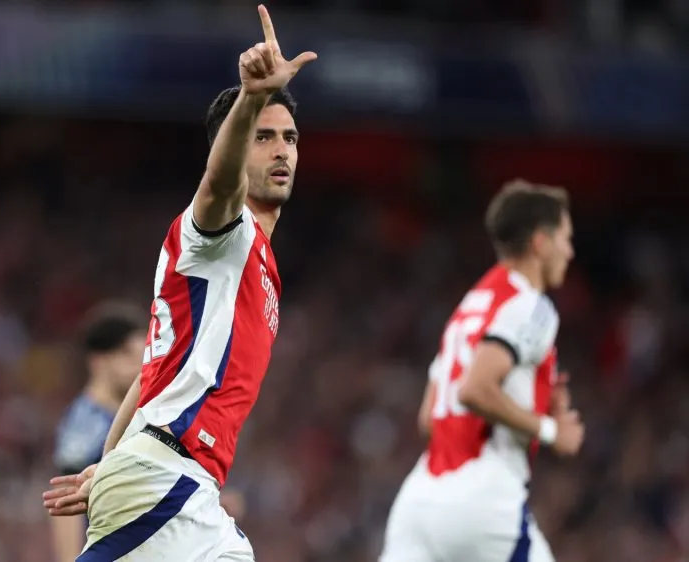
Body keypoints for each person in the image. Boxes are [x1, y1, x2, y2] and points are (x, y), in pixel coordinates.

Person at [42, 5, 316, 560]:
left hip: (168, 477)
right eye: (263, 136)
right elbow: (217, 184)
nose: (282, 148)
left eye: (288, 136)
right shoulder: (220, 231)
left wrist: (110, 460)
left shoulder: (253, 264)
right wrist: (251, 96)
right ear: (234, 148)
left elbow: (150, 377)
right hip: (167, 479)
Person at [379, 180, 584, 562]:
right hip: (483, 500)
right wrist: (552, 431)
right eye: (565, 239)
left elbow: (430, 418)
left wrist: (532, 404)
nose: (570, 252)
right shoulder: (531, 305)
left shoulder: (469, 307)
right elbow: (474, 390)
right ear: (540, 243)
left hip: (420, 501)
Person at [50, 304, 147, 562]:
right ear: (98, 361)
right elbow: (64, 503)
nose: (139, 365)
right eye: (128, 354)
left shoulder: (126, 418)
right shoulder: (87, 424)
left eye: (143, 354)